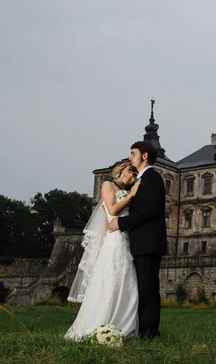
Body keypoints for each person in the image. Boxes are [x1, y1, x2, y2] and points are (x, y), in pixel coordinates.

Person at [65, 162, 141, 342]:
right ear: (120, 170)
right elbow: (113, 210)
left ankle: (124, 327)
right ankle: (99, 324)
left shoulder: (128, 190)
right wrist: (131, 194)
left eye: (133, 175)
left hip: (126, 239)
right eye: (129, 172)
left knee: (127, 283)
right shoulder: (108, 185)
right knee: (109, 281)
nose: (130, 177)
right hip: (114, 240)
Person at [108, 141, 167, 340]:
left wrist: (121, 223)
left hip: (148, 242)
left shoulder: (152, 177)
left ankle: (150, 333)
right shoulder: (141, 179)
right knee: (143, 288)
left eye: (133, 153)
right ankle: (143, 329)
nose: (130, 157)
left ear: (144, 156)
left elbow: (147, 211)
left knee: (148, 289)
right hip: (143, 242)